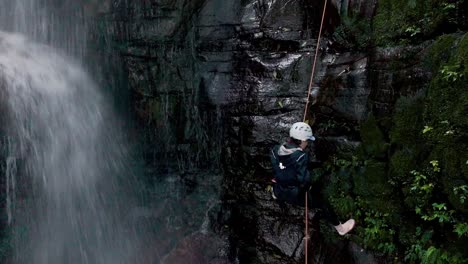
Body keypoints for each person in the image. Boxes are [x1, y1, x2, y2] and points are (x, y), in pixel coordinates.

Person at [270, 122, 355, 236]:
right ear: (302, 140)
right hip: (293, 194)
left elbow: (277, 167)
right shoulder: (301, 156)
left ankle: (275, 194)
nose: (307, 143)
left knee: (280, 181)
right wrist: (308, 185)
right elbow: (304, 181)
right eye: (307, 141)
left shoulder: (275, 150)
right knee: (323, 203)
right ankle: (341, 229)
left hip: (278, 189)